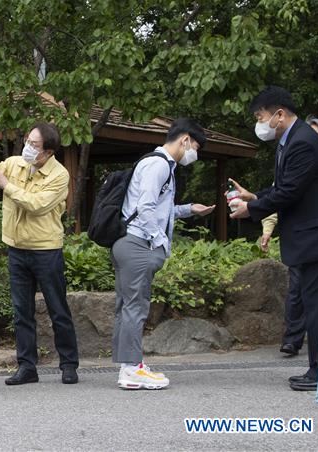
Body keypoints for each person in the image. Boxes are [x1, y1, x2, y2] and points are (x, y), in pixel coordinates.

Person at [229, 86, 318, 391]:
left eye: (260, 116)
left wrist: (251, 207)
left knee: (317, 306)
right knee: (314, 303)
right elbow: (288, 187)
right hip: (311, 236)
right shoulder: (292, 140)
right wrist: (256, 197)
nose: (260, 124)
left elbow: (290, 191)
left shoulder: (302, 141)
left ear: (279, 114)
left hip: (316, 238)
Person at [0, 122, 79, 385]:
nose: (28, 147)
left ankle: (68, 364)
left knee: (57, 308)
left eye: (34, 145)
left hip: (46, 249)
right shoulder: (15, 163)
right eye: (28, 141)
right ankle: (27, 366)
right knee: (21, 311)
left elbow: (37, 205)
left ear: (49, 151)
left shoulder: (59, 175)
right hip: (16, 248)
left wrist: (6, 185)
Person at [112, 118, 216, 390]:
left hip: (130, 243)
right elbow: (145, 208)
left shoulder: (161, 166)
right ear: (184, 140)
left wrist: (190, 209)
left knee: (128, 307)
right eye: (195, 146)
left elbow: (159, 208)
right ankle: (131, 369)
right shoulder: (158, 165)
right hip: (138, 244)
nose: (194, 153)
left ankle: (130, 365)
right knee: (136, 307)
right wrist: (160, 242)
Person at [257, 115, 318, 357]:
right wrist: (266, 225)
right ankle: (293, 341)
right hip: (305, 237)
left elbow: (288, 193)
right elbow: (281, 192)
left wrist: (253, 207)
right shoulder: (297, 154)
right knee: (298, 292)